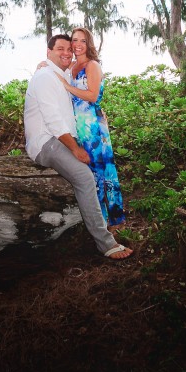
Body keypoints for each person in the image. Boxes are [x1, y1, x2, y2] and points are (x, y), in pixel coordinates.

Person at [24, 34, 133, 260]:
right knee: (85, 177)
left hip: (67, 137)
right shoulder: (45, 77)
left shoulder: (60, 73)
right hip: (46, 142)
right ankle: (106, 244)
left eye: (69, 49)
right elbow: (53, 121)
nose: (66, 52)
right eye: (60, 48)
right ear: (48, 52)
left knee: (97, 173)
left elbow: (85, 94)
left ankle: (109, 220)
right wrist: (75, 149)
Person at [58, 26, 126, 227]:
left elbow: (93, 95)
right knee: (89, 172)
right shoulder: (72, 66)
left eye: (82, 41)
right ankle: (97, 219)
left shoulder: (92, 65)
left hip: (93, 127)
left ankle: (110, 220)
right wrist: (42, 65)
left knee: (101, 172)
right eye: (74, 40)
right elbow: (54, 64)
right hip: (79, 126)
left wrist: (67, 86)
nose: (77, 45)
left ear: (89, 44)